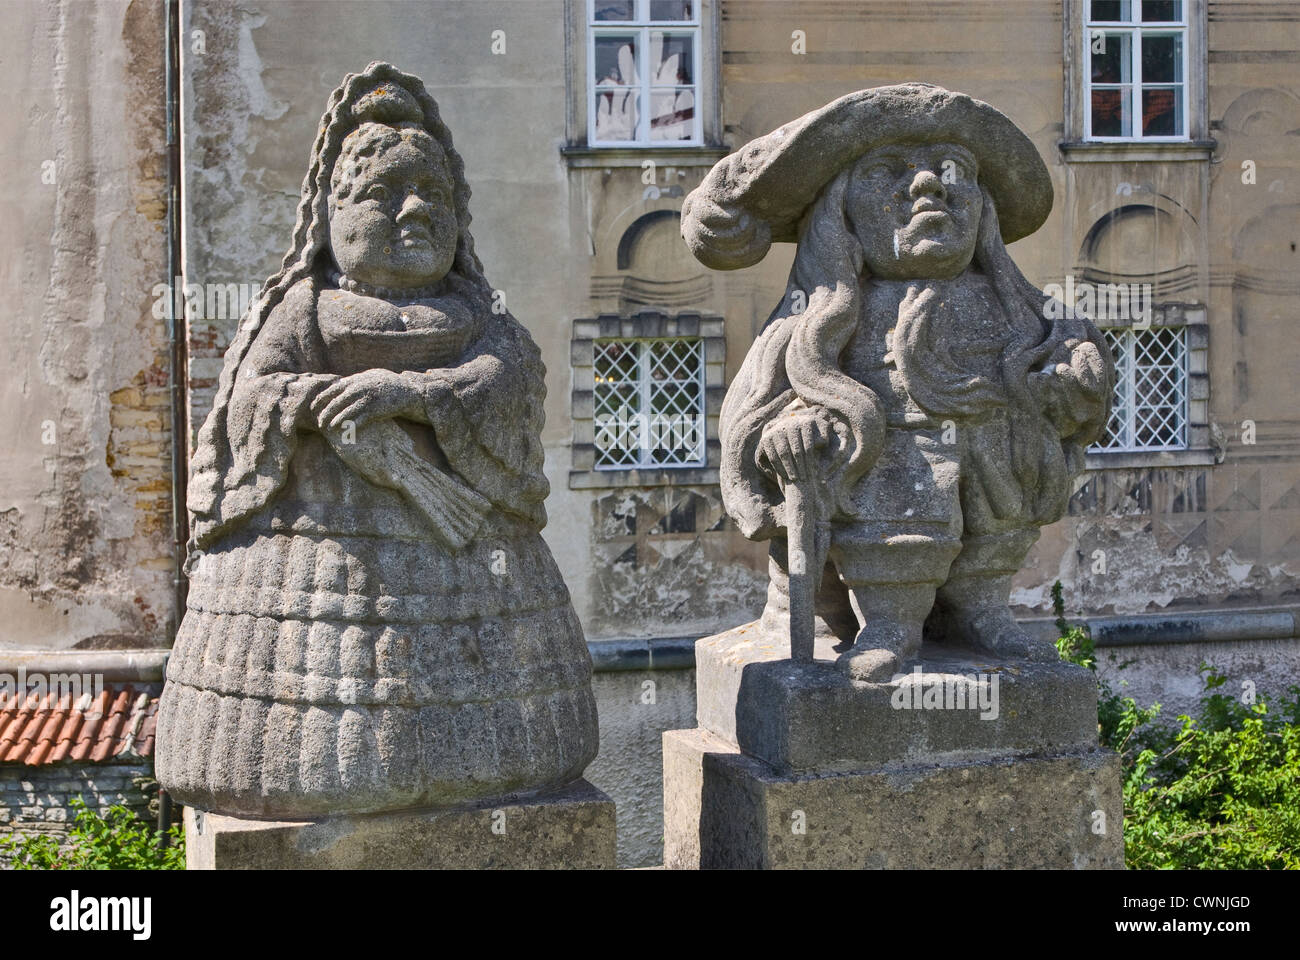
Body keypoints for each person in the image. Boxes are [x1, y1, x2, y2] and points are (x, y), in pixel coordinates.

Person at [156, 63, 598, 818]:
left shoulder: (477, 313)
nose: (415, 210)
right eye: (384, 194)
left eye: (434, 194)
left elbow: (512, 379)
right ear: (331, 212)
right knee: (315, 741)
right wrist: (312, 401)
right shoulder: (303, 308)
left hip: (468, 563)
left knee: (501, 740)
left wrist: (412, 394)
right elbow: (244, 398)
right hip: (316, 557)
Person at [682, 83, 1114, 680]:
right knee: (898, 513)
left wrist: (1074, 377)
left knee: (999, 521)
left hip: (997, 463)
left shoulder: (1013, 303)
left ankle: (983, 610)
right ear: (842, 214)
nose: (927, 185)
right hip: (889, 467)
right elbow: (762, 399)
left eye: (954, 169)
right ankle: (891, 623)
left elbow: (1071, 358)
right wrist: (790, 427)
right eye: (888, 171)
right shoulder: (825, 314)